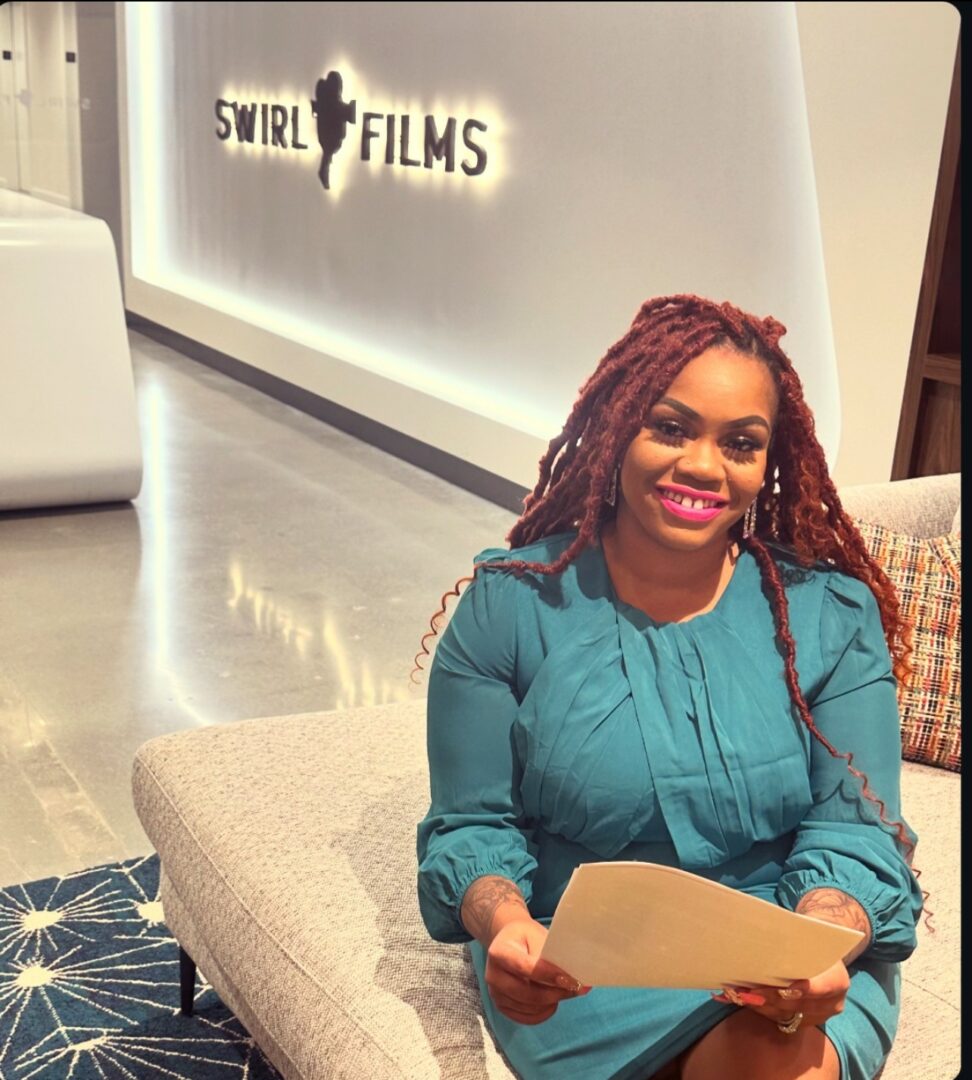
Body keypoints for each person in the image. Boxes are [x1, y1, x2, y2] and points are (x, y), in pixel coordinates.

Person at [414, 294, 924, 1080]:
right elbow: (471, 826)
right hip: (581, 962)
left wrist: (822, 938)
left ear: (768, 462)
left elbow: (857, 833)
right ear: (617, 430)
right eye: (672, 428)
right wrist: (504, 924)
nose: (703, 467)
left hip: (783, 935)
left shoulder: (830, 615)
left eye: (741, 443)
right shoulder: (509, 607)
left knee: (773, 1057)